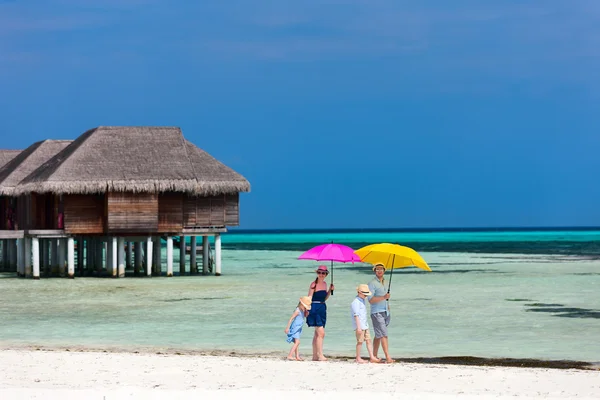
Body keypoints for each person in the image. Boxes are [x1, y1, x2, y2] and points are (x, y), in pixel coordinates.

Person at [368, 263, 395, 363]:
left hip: (385, 311)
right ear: (374, 271)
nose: (379, 271)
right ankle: (388, 357)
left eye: (381, 269)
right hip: (376, 312)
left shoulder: (384, 282)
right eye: (377, 269)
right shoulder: (372, 283)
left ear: (384, 271)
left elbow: (385, 298)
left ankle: (374, 356)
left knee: (379, 335)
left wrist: (387, 304)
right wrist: (384, 297)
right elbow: (370, 300)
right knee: (384, 334)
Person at [307, 265, 334, 361]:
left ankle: (315, 356)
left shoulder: (325, 284)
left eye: (323, 273)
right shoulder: (313, 284)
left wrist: (330, 291)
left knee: (317, 333)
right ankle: (320, 355)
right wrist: (306, 309)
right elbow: (309, 297)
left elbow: (324, 298)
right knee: (321, 333)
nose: (321, 275)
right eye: (319, 272)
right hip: (314, 308)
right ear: (317, 273)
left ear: (326, 274)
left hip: (322, 307)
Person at [351, 284, 380, 364]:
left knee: (368, 340)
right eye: (365, 294)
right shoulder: (356, 302)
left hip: (365, 325)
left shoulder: (362, 300)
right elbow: (356, 315)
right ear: (359, 292)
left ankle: (372, 357)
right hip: (359, 325)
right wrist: (359, 327)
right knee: (360, 342)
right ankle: (358, 357)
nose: (366, 296)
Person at [284, 296, 312, 361]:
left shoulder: (302, 310)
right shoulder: (297, 310)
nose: (305, 308)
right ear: (301, 304)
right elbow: (291, 319)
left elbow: (302, 317)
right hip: (295, 327)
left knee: (297, 342)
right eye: (305, 307)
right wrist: (287, 328)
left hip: (299, 327)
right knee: (297, 342)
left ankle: (297, 356)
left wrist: (306, 314)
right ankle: (290, 355)